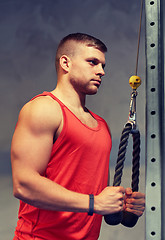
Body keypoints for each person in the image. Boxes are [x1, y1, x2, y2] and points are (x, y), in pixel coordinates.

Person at [11, 33, 145, 240]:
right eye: (92, 62)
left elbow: (93, 193)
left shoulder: (101, 126)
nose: (101, 71)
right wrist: (95, 202)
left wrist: (121, 205)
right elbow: (24, 184)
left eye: (103, 66)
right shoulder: (44, 109)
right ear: (66, 63)